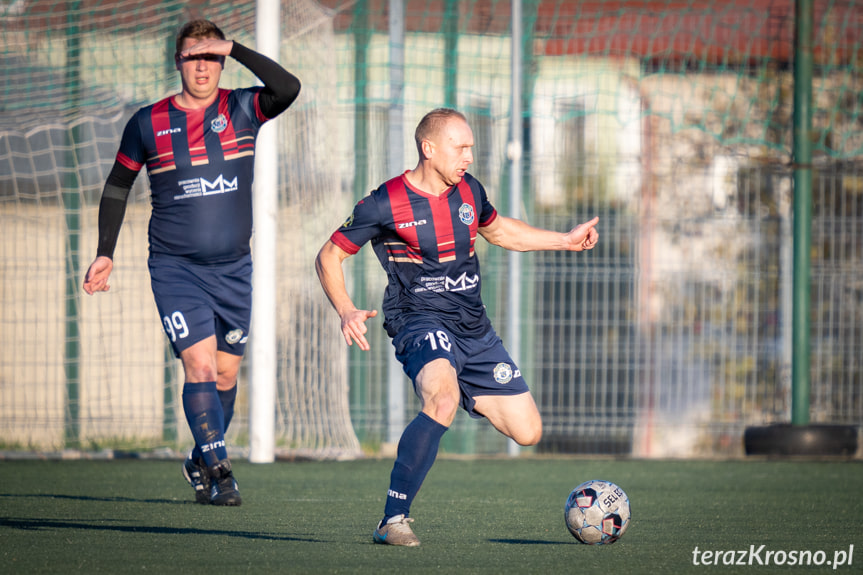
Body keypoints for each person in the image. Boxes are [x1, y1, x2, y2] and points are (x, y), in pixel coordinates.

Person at [315, 108, 599, 545]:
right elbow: (329, 255)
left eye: (471, 147)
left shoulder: (469, 191)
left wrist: (564, 239)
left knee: (528, 432)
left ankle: (459, 385)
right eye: (460, 146)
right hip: (418, 320)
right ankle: (392, 520)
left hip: (473, 328)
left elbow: (501, 231)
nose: (469, 155)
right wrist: (346, 309)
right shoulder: (383, 202)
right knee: (441, 399)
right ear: (428, 149)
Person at [83, 19, 301, 506]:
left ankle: (200, 456)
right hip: (176, 269)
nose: (200, 67)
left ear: (221, 60)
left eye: (210, 57)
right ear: (176, 61)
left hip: (234, 270)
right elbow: (118, 186)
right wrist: (105, 252)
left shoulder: (243, 107)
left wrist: (236, 46)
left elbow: (288, 87)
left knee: (226, 375)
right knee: (199, 367)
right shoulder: (147, 122)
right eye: (191, 57)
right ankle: (222, 472)